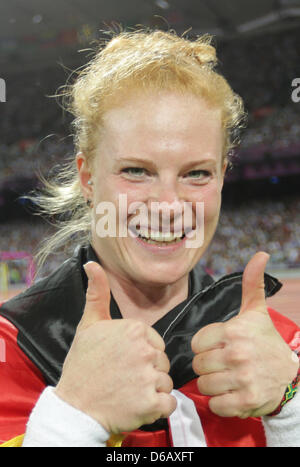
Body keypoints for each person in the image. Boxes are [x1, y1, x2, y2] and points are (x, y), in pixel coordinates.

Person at [0, 28, 299, 448]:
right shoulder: (11, 348)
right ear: (87, 177)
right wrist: (72, 419)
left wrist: (289, 409)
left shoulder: (277, 347)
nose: (168, 205)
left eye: (196, 173)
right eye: (136, 171)